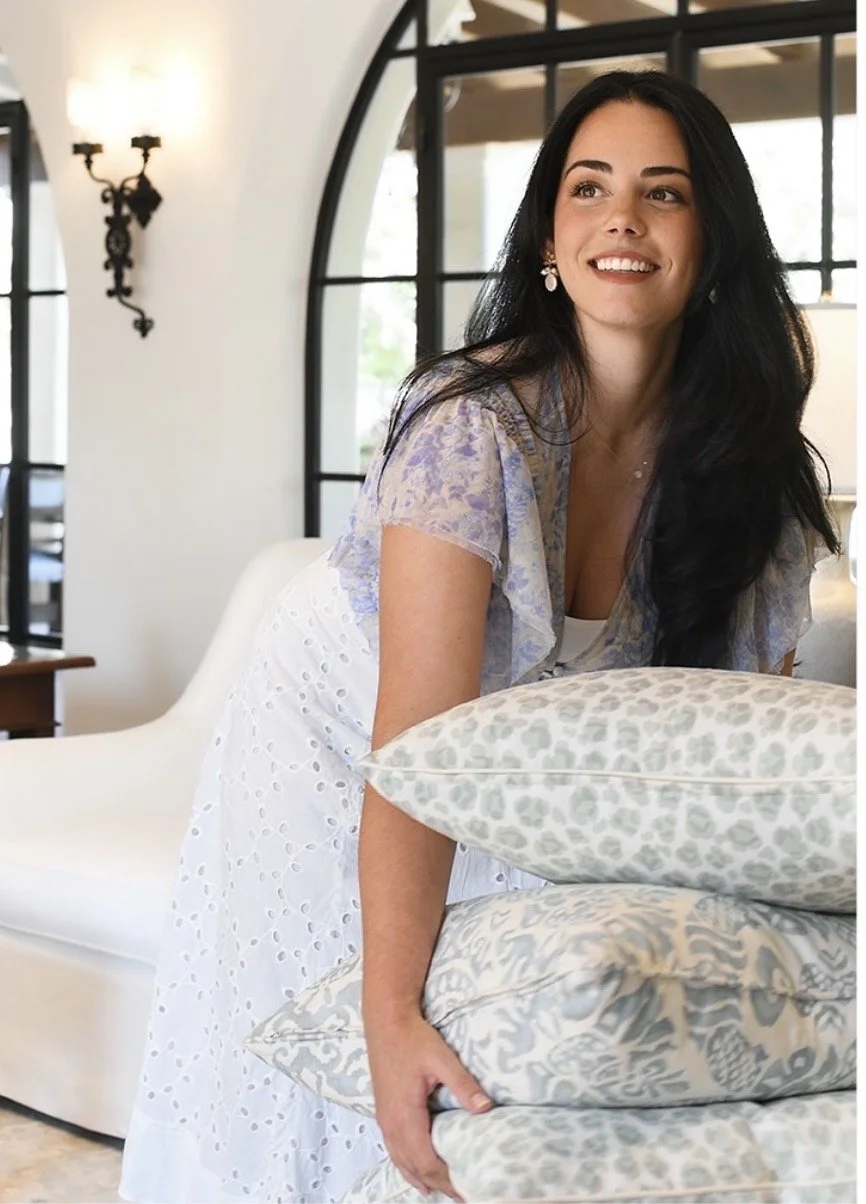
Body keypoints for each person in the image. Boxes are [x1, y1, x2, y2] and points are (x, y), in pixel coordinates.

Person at [119, 69, 839, 1204]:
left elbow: (724, 777)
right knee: (350, 1062)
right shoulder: (470, 430)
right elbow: (413, 753)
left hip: (499, 750)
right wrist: (390, 1013)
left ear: (712, 244)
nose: (621, 219)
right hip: (336, 736)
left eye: (663, 194)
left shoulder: (747, 482)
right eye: (588, 187)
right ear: (549, 236)